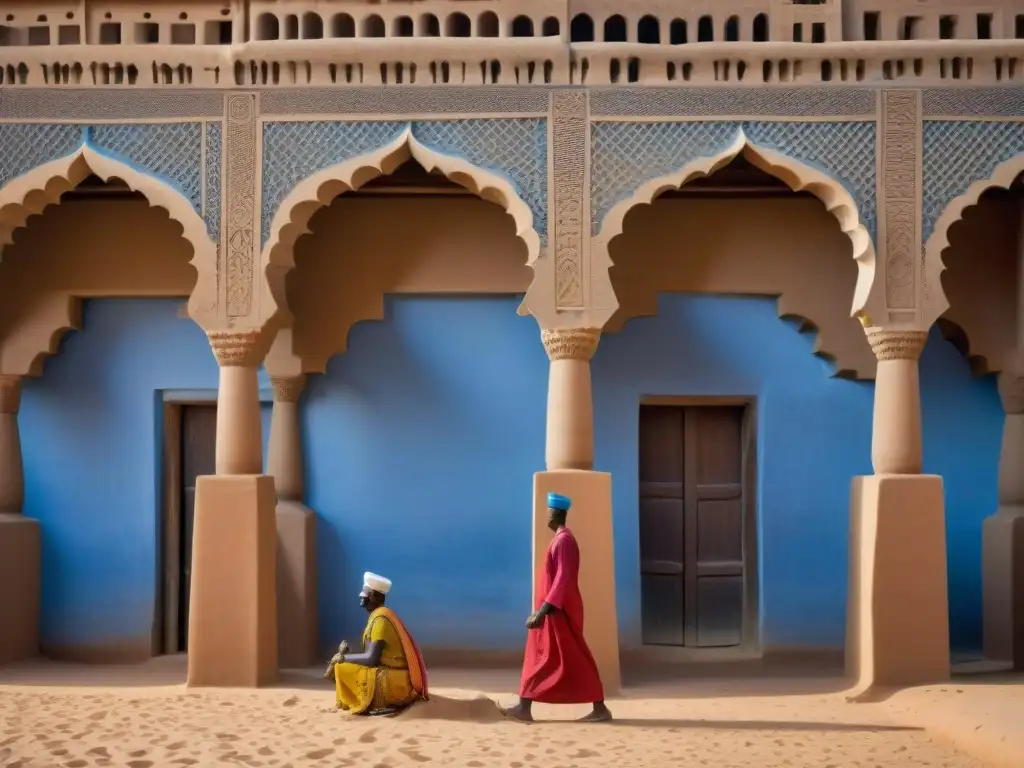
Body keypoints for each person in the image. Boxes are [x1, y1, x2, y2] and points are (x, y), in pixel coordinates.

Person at [503, 492, 612, 723]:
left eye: (549, 512)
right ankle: (524, 705)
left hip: (557, 613)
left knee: (572, 659)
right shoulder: (561, 540)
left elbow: (563, 579)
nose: (547, 516)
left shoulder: (564, 541)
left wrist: (543, 611)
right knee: (541, 658)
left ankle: (599, 708)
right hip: (552, 612)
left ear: (556, 513)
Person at [324, 572, 429, 715]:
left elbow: (371, 659)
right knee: (342, 666)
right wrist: (344, 655)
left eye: (365, 592)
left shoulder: (381, 620)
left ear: (374, 595)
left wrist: (343, 657)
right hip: (393, 677)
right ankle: (350, 702)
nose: (361, 596)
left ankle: (359, 703)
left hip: (394, 681)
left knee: (341, 667)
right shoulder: (378, 616)